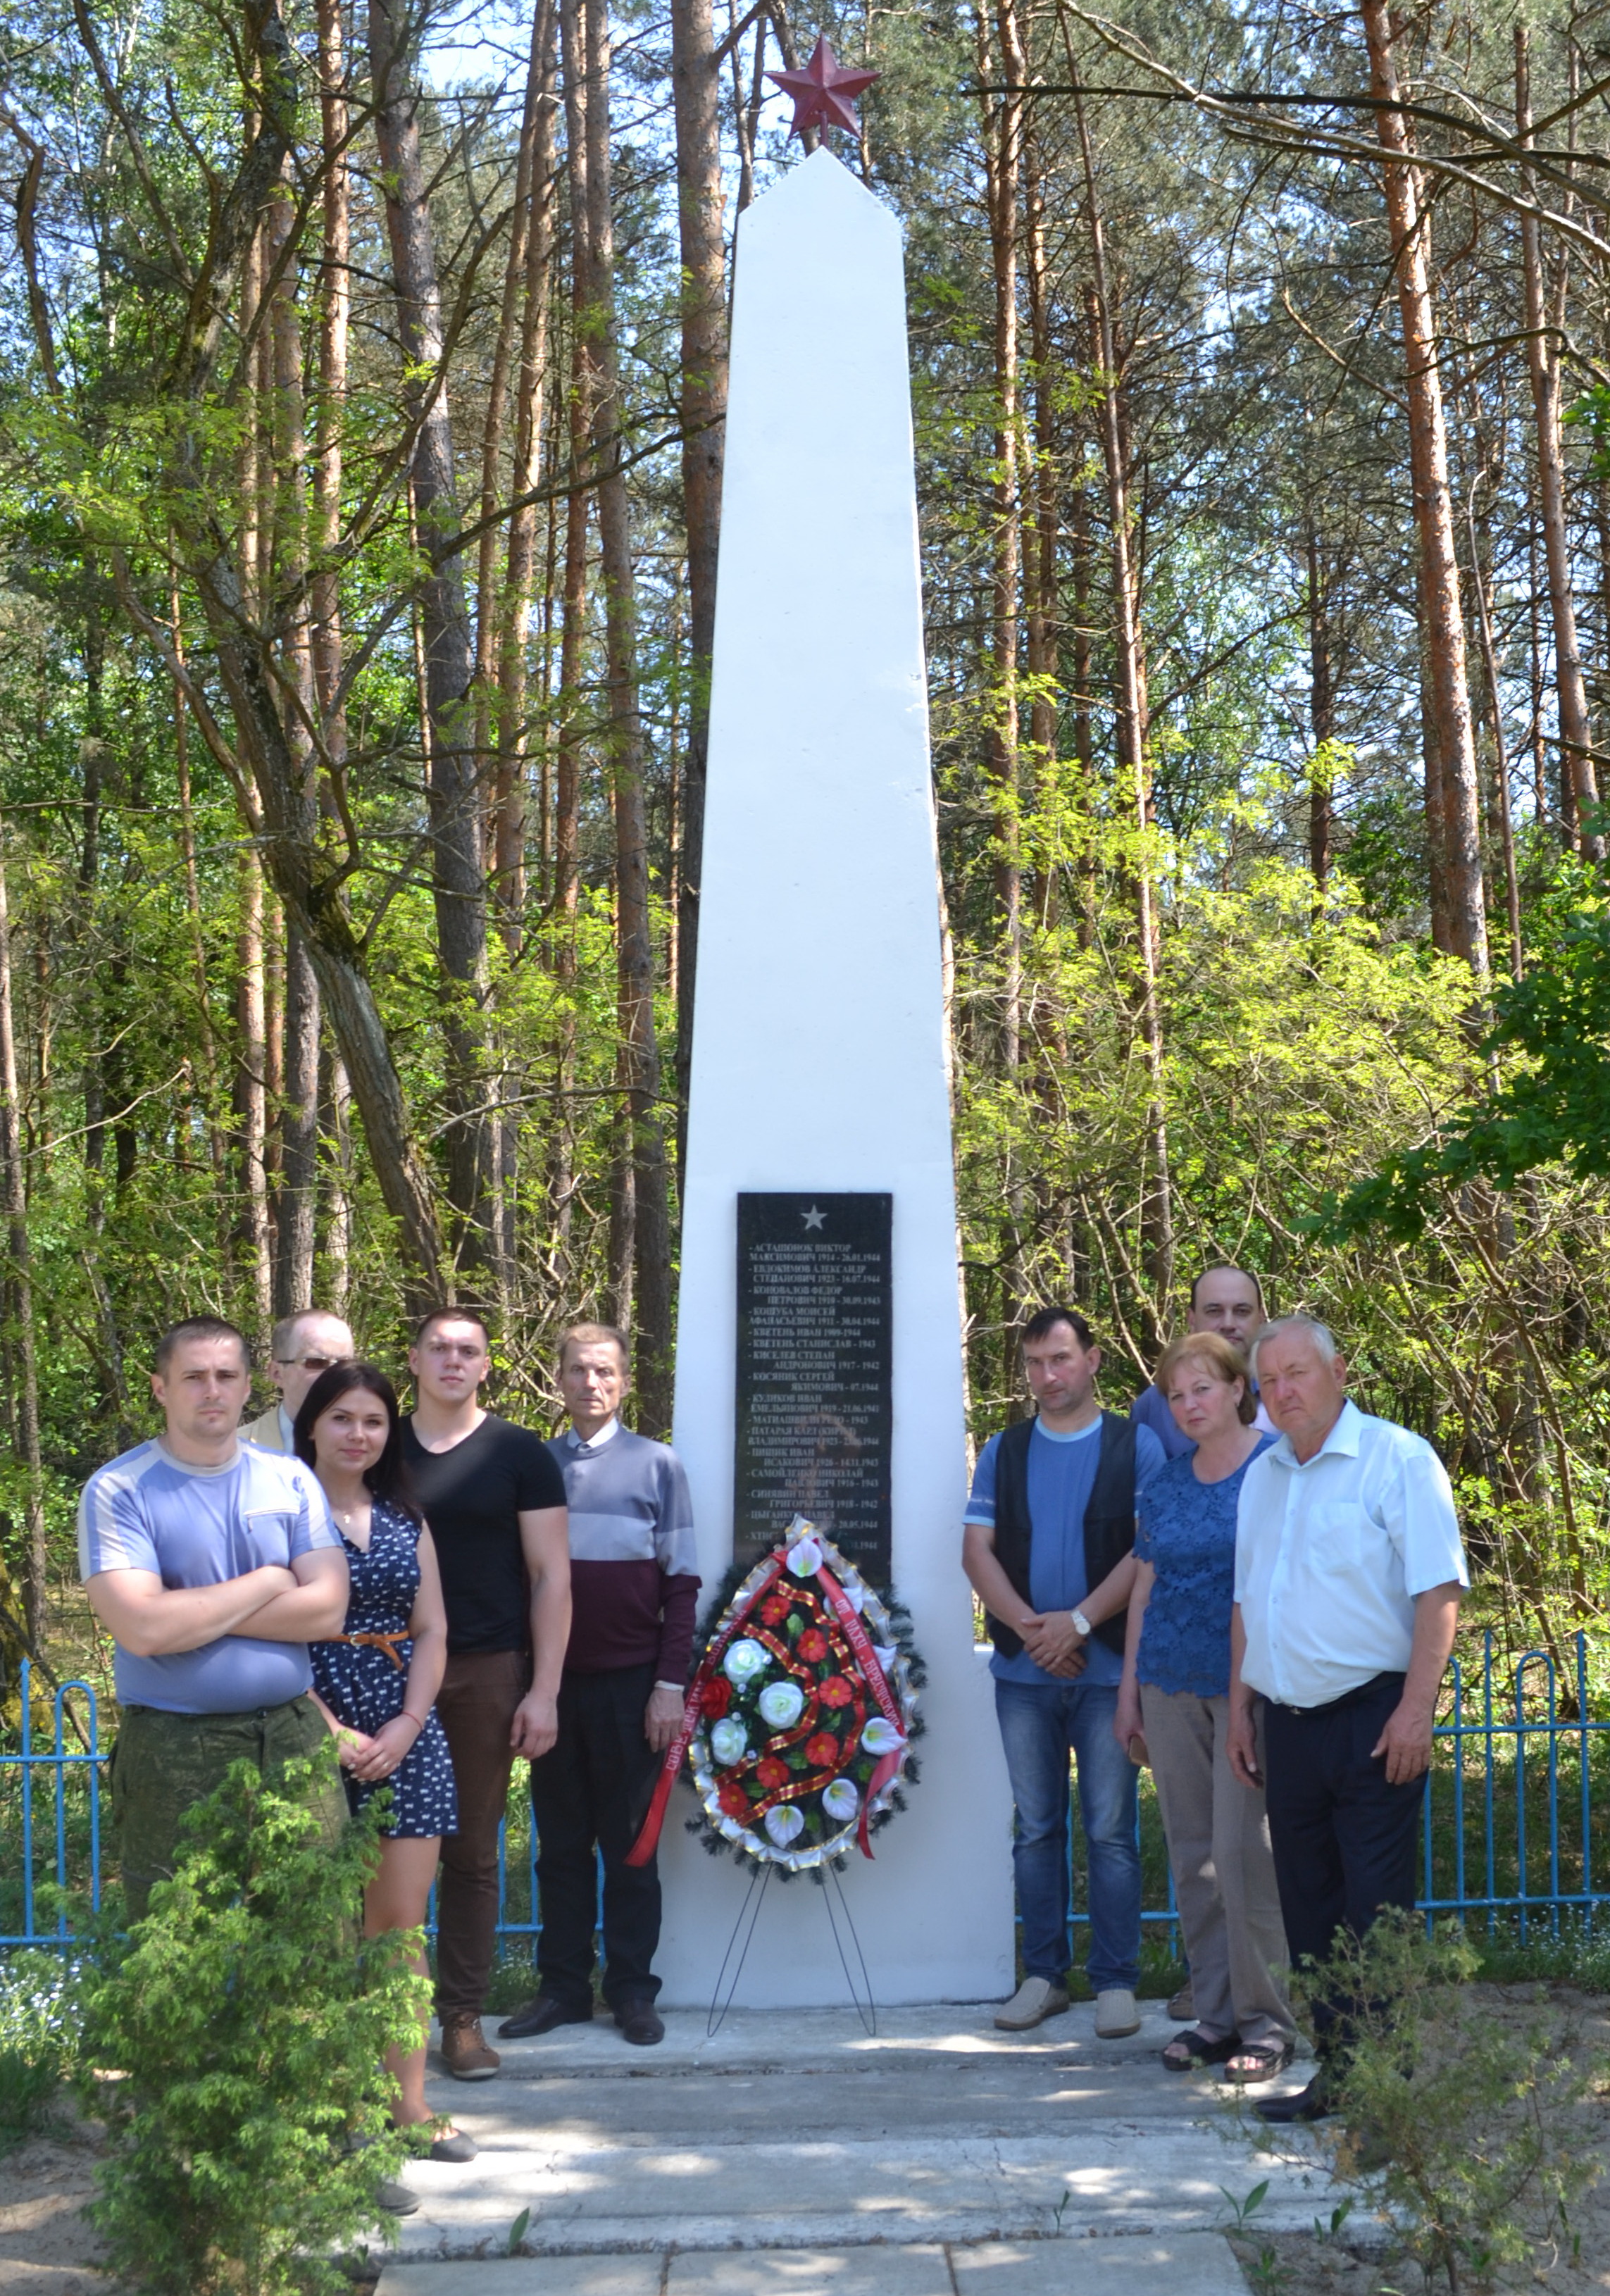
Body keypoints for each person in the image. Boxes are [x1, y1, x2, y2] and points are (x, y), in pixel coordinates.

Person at [1228, 1314, 1468, 2125]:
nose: (1284, 1391)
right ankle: (1339, 2072)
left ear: (1339, 1370)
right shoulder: (1263, 1477)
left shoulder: (1397, 1460)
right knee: (1310, 1908)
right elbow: (1246, 1602)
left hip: (1374, 1718)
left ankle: (1387, 2085)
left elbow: (1438, 1591)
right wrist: (1240, 1705)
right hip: (1287, 1723)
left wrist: (1414, 1712)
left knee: (1374, 1907)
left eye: (1297, 1372)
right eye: (1269, 1381)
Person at [78, 1316, 349, 1920]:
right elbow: (142, 1629)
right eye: (194, 1377)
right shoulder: (119, 1490)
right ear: (159, 1387)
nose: (212, 1390)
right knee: (176, 1949)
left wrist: (190, 1607)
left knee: (313, 1934)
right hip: (174, 1746)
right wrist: (271, 1580)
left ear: (250, 1385)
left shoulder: (288, 1478)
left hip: (292, 1739)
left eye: (227, 1376)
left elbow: (329, 1607)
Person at [963, 1306, 1164, 2039]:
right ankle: (1044, 1975)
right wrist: (1032, 1628)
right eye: (1035, 1364)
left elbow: (1148, 1550)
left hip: (1109, 1672)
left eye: (1060, 1359)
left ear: (1093, 1359)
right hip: (1024, 1677)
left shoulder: (1135, 1445)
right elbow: (976, 1551)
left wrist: (1077, 1623)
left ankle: (1116, 1982)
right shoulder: (1004, 1450)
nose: (1048, 1376)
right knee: (1037, 1828)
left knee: (1110, 1831)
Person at [499, 1324, 699, 2049]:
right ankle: (561, 1987)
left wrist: (669, 1684)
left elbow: (682, 1584)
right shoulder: (532, 1464)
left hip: (633, 1687)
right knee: (559, 1846)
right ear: (558, 1377)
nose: (592, 1382)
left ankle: (632, 1989)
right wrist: (529, 1688)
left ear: (623, 1382)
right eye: (579, 1369)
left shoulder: (658, 1465)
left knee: (632, 1847)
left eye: (606, 1370)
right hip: (553, 1689)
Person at [299, 1362, 475, 2171]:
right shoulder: (280, 1512)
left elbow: (433, 1628)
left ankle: (408, 2101)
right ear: (312, 1426)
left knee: (398, 1924)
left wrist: (406, 1722)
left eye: (373, 1420)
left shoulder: (408, 1516)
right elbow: (273, 1636)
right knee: (325, 1929)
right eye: (342, 1418)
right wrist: (330, 1729)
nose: (358, 1434)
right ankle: (337, 2101)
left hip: (407, 1731)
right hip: (311, 1724)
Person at [1113, 1333, 1294, 2083]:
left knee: (1245, 1852)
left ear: (1237, 1388)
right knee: (1193, 1855)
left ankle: (1268, 2021)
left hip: (1246, 1687)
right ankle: (1215, 2017)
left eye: (1204, 1389)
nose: (1189, 1405)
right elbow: (1144, 1589)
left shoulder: (1274, 1468)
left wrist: (1249, 1698)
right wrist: (1129, 1691)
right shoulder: (1165, 1484)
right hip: (1167, 1682)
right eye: (1177, 1394)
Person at [401, 1309, 570, 2081]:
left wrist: (543, 1688)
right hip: (382, 1665)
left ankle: (461, 2020)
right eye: (439, 1347)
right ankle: (373, 2019)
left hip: (485, 1670)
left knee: (470, 1852)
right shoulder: (376, 1442)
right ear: (413, 1359)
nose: (453, 1360)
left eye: (469, 1349)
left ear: (488, 1364)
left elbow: (551, 1576)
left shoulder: (519, 1453)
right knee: (376, 1852)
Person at [1131, 1266, 1274, 1464]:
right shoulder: (1154, 1406)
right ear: (1192, 1319)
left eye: (1242, 1311)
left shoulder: (1286, 1394)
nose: (1228, 1323)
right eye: (1214, 1311)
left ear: (1260, 1319)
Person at [245, 1309, 356, 1452]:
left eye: (343, 1364)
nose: (333, 1374)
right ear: (277, 1373)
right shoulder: (233, 1452)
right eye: (316, 1363)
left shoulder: (380, 1452)